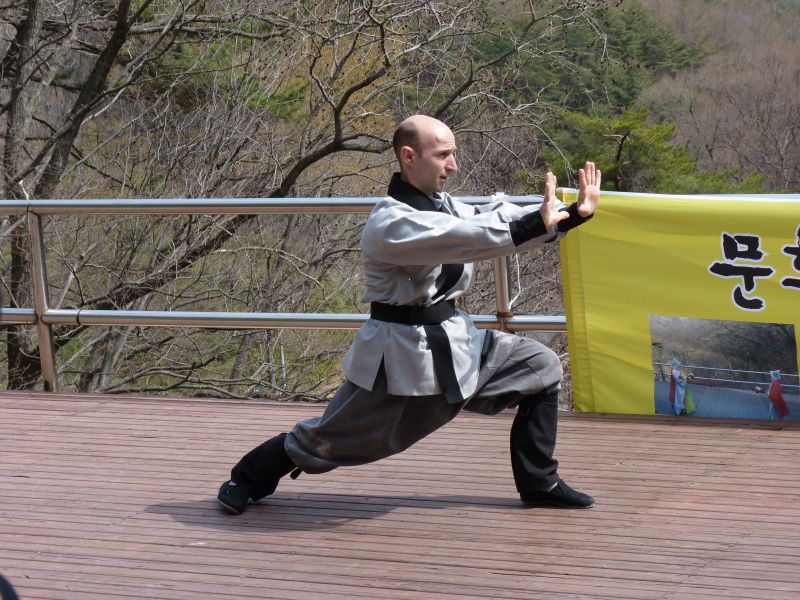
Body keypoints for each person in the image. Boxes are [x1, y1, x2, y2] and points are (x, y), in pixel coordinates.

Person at [217, 115, 601, 514]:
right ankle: (247, 477)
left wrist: (572, 214)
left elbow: (492, 218)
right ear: (409, 157)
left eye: (454, 154)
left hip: (458, 343)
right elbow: (465, 238)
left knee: (540, 366)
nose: (453, 165)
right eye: (443, 155)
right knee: (327, 439)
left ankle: (540, 482)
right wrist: (533, 224)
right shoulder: (390, 223)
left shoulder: (445, 206)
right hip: (400, 358)